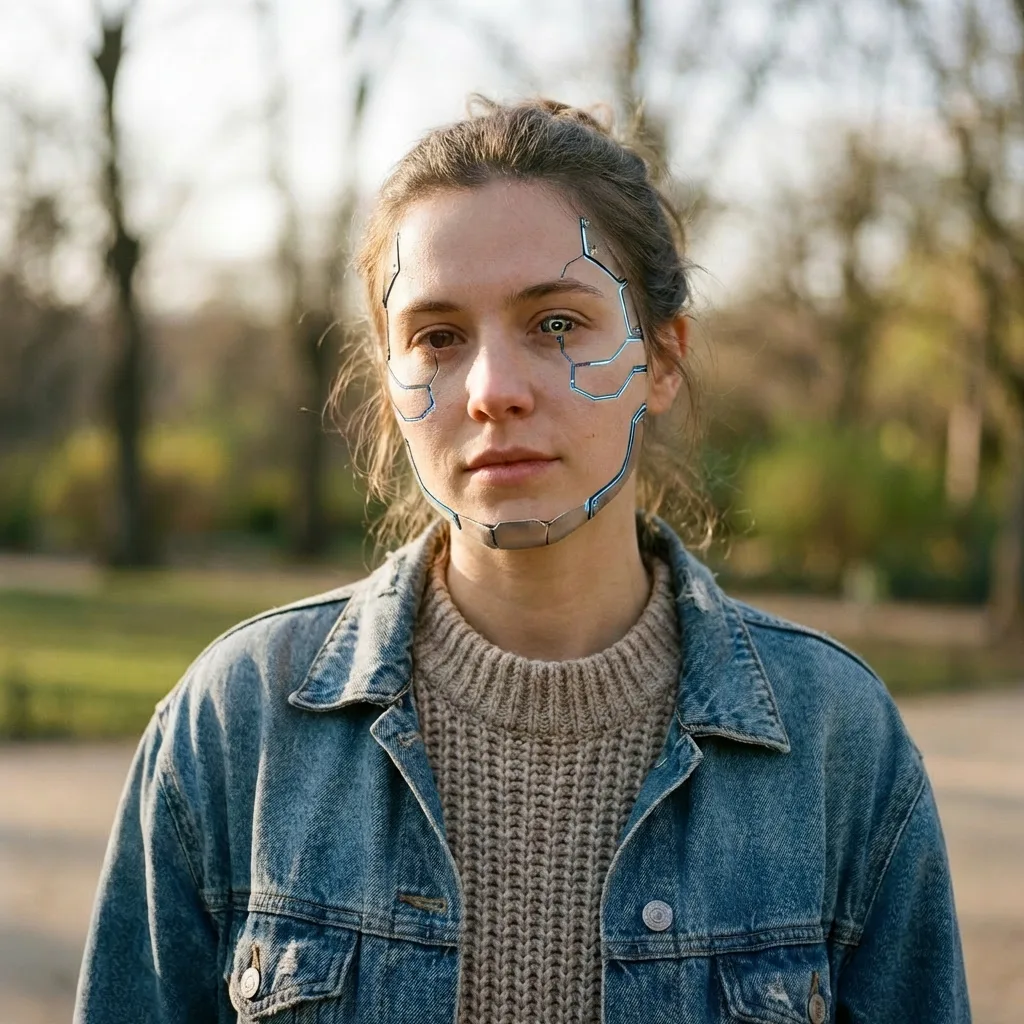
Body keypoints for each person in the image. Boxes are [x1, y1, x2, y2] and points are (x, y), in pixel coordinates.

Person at [74, 99, 970, 1024]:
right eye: (437, 336)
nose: (493, 390)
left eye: (556, 324)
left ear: (662, 358)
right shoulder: (233, 729)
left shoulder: (838, 744)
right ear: (389, 381)